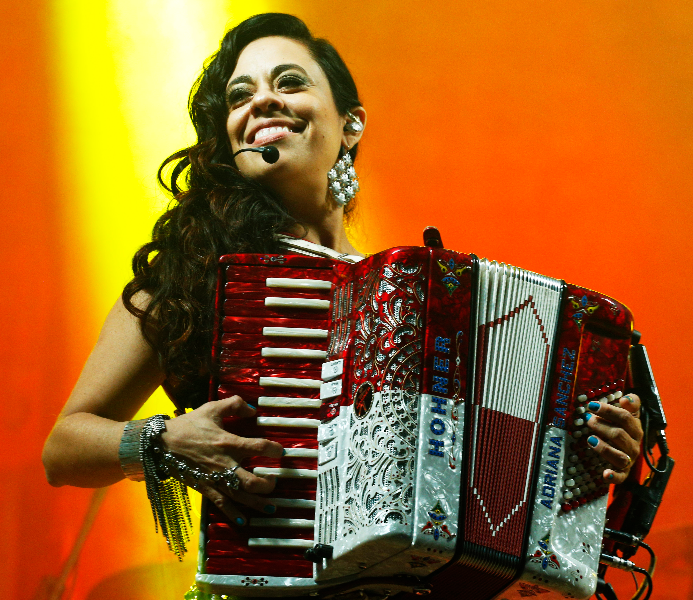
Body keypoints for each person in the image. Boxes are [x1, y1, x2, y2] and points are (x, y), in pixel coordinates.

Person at [42, 12, 644, 539]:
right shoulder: (191, 271)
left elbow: (480, 475)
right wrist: (163, 441)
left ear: (351, 124)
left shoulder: (412, 304)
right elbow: (63, 447)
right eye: (239, 95)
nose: (260, 102)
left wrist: (587, 452)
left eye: (290, 82)